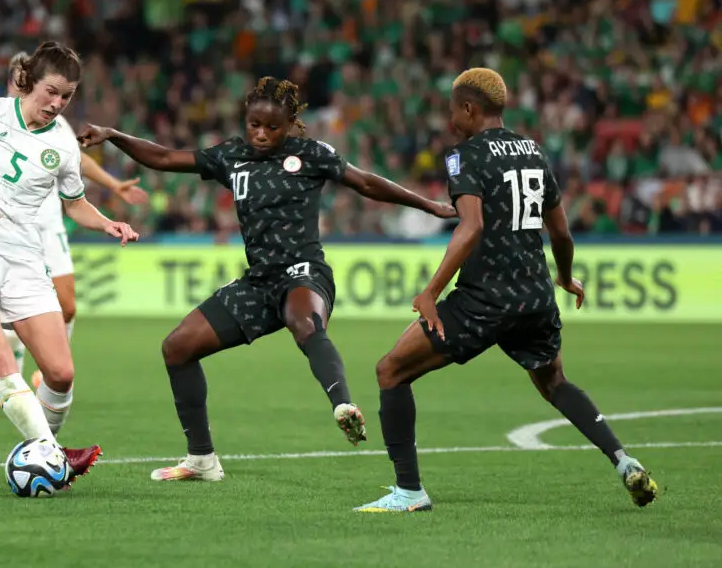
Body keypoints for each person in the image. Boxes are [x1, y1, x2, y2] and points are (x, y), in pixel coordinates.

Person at [78, 77, 456, 482]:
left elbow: (365, 182)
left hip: (304, 271)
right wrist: (114, 135)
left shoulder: (311, 154)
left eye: (272, 127)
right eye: (254, 124)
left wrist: (428, 205)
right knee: (177, 347)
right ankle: (201, 459)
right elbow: (166, 158)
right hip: (259, 282)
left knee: (304, 321)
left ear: (290, 125)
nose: (260, 133)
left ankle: (343, 405)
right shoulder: (232, 156)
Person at [354, 68, 657, 513]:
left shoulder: (464, 156)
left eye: (453, 109)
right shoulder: (533, 151)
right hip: (534, 296)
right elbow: (561, 232)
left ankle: (409, 492)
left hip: (485, 299)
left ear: (469, 109)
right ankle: (623, 460)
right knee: (554, 382)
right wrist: (564, 276)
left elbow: (471, 227)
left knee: (391, 371)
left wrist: (431, 291)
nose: (450, 118)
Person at [0, 41, 139, 484]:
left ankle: (46, 452)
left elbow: (74, 204)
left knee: (60, 373)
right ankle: (54, 456)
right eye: (51, 92)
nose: (57, 104)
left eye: (67, 97)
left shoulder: (63, 143)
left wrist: (107, 223)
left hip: (24, 255)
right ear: (27, 81)